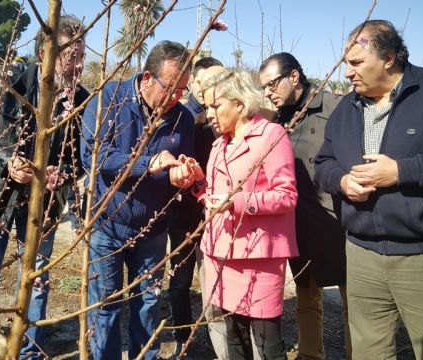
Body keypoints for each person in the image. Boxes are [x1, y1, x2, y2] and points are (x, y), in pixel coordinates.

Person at [315, 20, 423, 359]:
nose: (347, 73)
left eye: (355, 63)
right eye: (345, 65)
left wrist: (401, 172)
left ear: (389, 58)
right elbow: (323, 162)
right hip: (361, 254)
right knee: (369, 353)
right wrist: (341, 181)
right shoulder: (346, 109)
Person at [0, 15, 89, 359]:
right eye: (71, 56)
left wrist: (66, 173)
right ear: (46, 53)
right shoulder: (6, 83)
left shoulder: (83, 100)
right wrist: (4, 162)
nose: (78, 64)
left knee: (36, 280)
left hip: (43, 205)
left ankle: (26, 352)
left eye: (82, 55)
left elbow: (83, 156)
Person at [81, 40, 196, 360]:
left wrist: (182, 176)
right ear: (147, 78)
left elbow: (181, 163)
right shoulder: (108, 100)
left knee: (147, 306)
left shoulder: (182, 118)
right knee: (105, 307)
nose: (177, 98)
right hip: (108, 226)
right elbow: (92, 156)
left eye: (183, 90)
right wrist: (148, 163)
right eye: (171, 88)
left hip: (153, 229)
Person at [189, 70, 298, 360]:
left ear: (239, 103)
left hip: (258, 257)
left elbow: (286, 195)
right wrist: (195, 182)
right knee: (234, 338)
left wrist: (238, 201)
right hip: (221, 253)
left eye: (215, 106)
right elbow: (213, 198)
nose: (209, 114)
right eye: (206, 107)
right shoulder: (218, 144)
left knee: (267, 343)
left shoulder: (271, 136)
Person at [258, 53, 350, 360]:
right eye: (264, 88)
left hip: (337, 221)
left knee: (355, 302)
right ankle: (311, 354)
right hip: (299, 224)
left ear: (294, 77)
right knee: (307, 298)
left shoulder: (337, 108)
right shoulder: (277, 120)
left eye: (272, 84)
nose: (268, 92)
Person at [167, 56, 225, 358]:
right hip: (184, 211)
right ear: (195, 83)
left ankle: (220, 342)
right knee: (179, 280)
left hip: (215, 212)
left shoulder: (224, 112)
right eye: (205, 81)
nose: (210, 87)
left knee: (214, 282)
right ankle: (183, 339)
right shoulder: (180, 115)